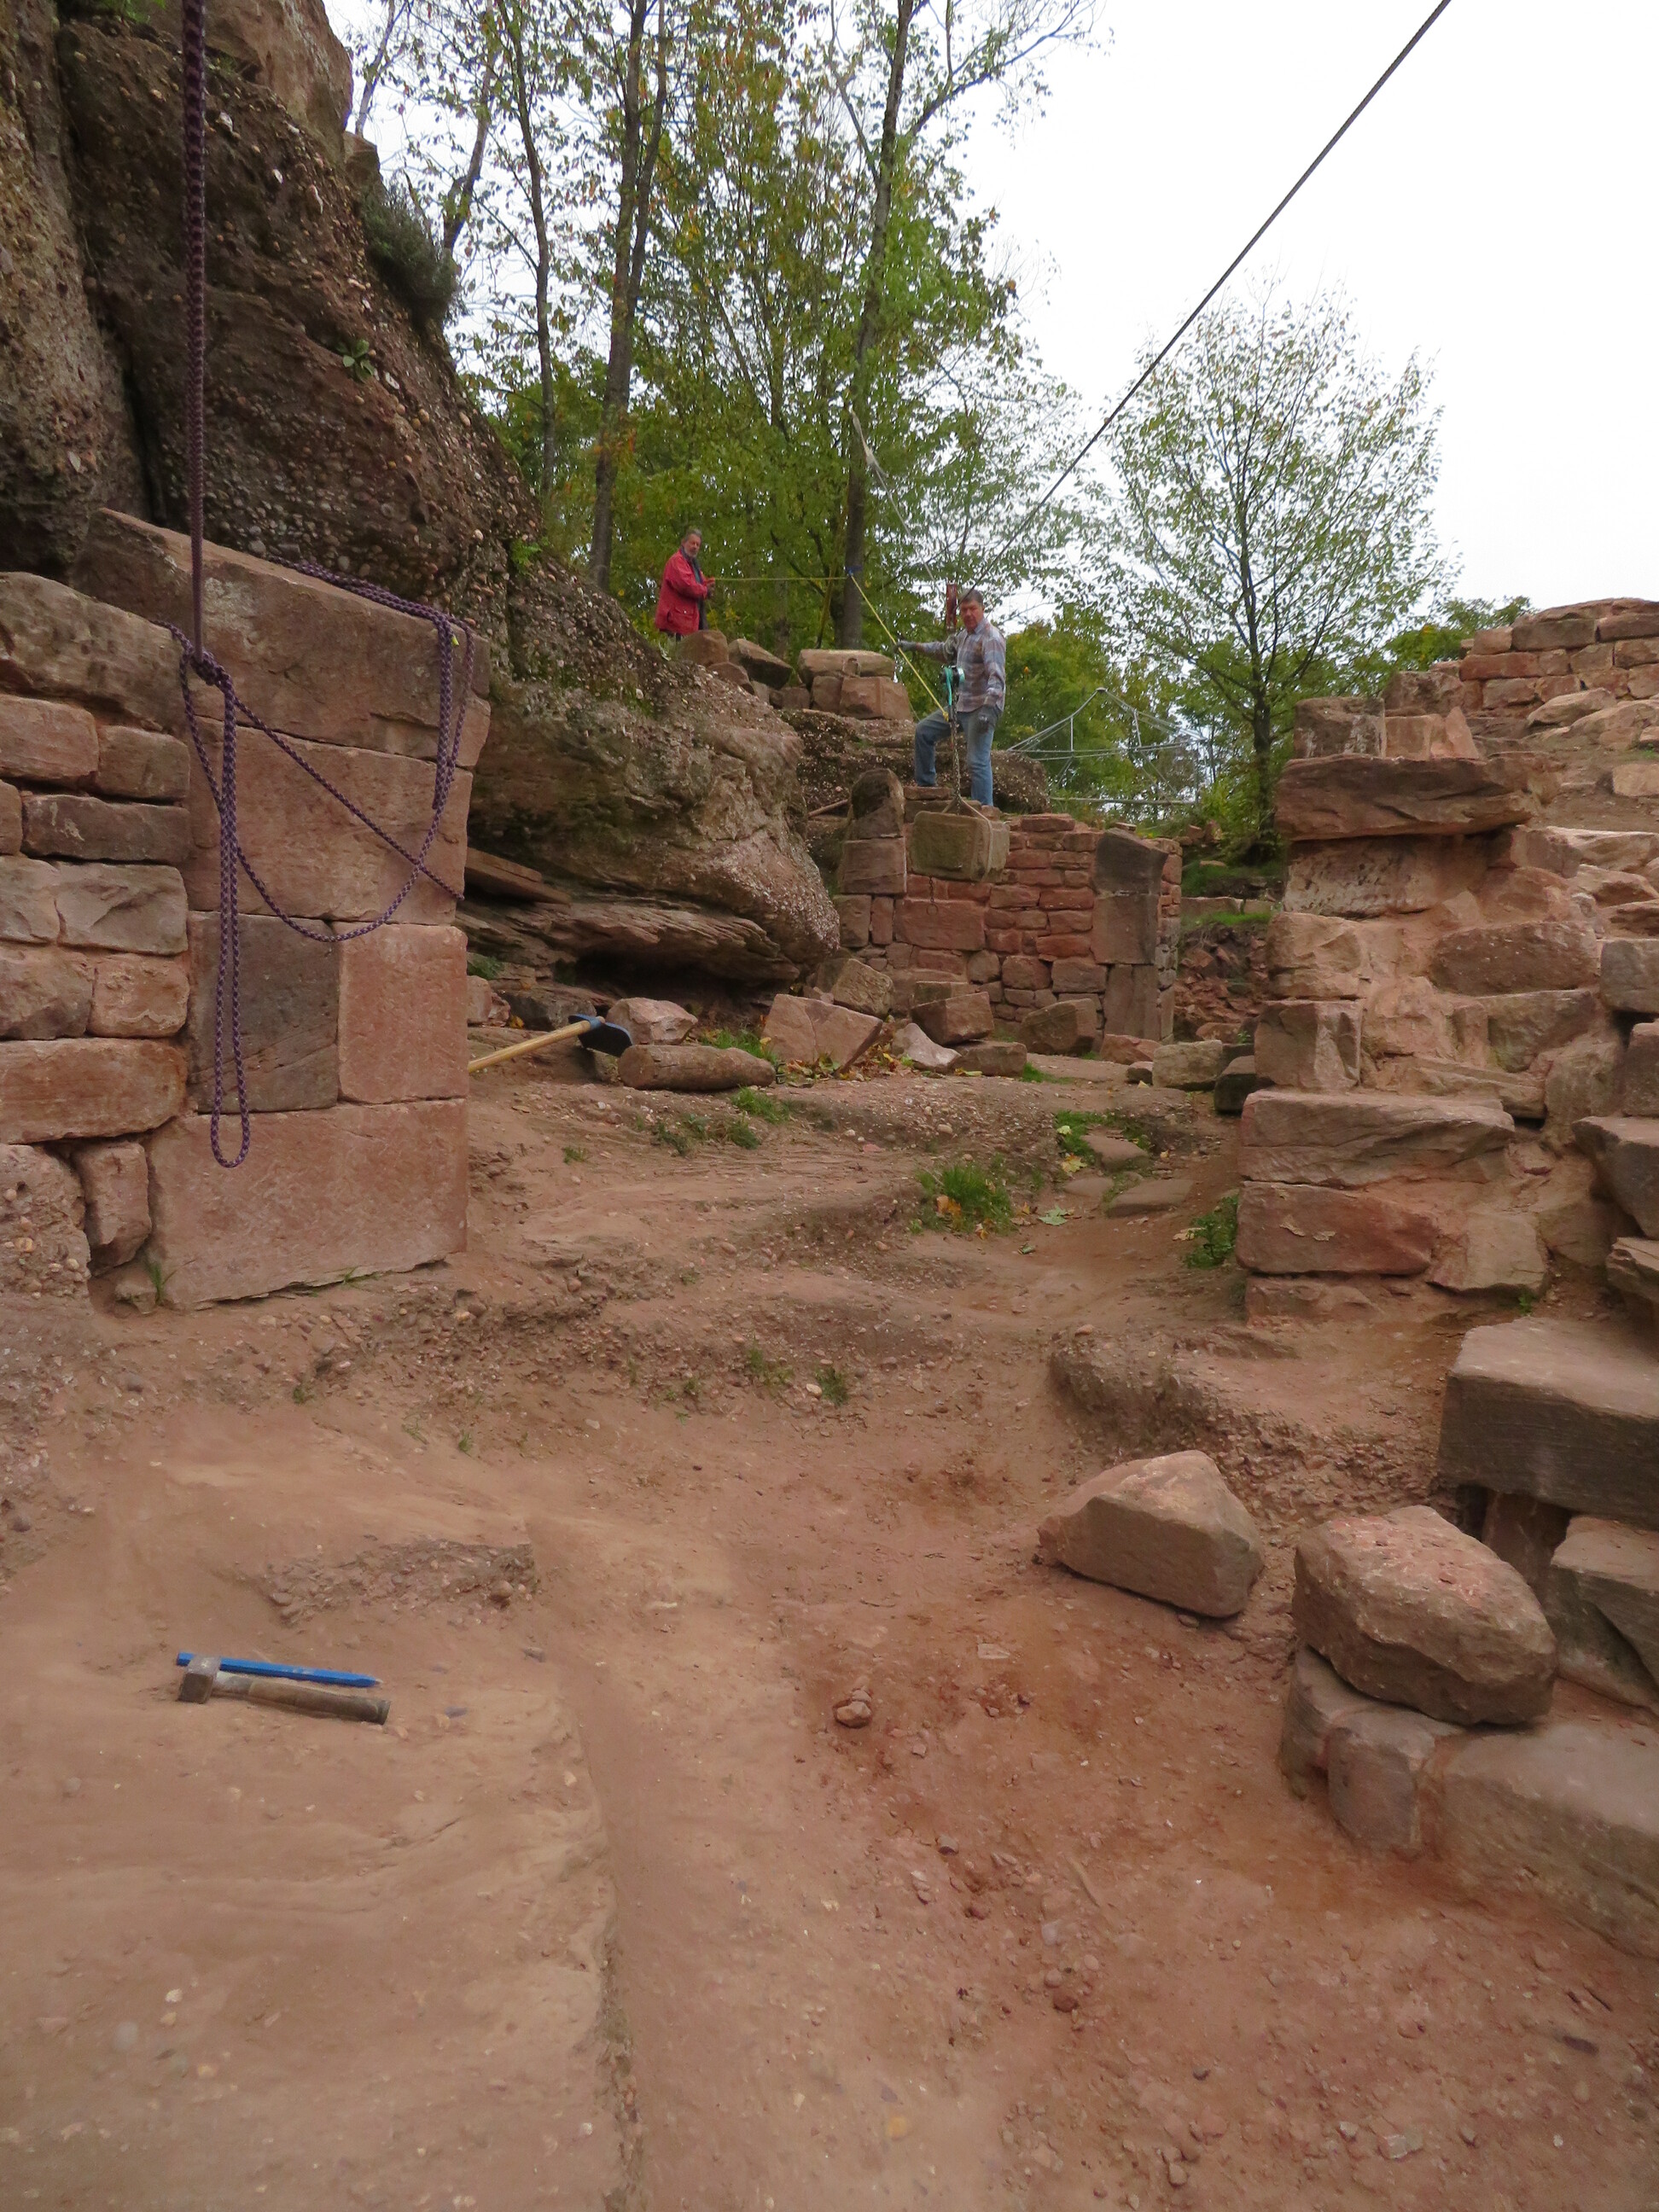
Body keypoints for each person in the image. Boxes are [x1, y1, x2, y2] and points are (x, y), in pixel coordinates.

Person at [903, 588, 1005, 806]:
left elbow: (996, 677)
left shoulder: (991, 637)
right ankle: (927, 790)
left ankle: (985, 811)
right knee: (923, 731)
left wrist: (989, 708)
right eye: (964, 610)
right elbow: (943, 650)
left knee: (977, 761)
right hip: (960, 706)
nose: (968, 614)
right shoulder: (963, 636)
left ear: (982, 609)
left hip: (982, 707)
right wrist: (914, 646)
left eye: (972, 609)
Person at [655, 529, 712, 641]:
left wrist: (709, 585)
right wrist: (706, 591)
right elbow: (686, 585)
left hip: (688, 622)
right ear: (683, 543)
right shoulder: (677, 561)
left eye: (698, 545)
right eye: (692, 543)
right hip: (676, 623)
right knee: (678, 650)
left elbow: (700, 583)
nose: (695, 547)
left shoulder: (693, 566)